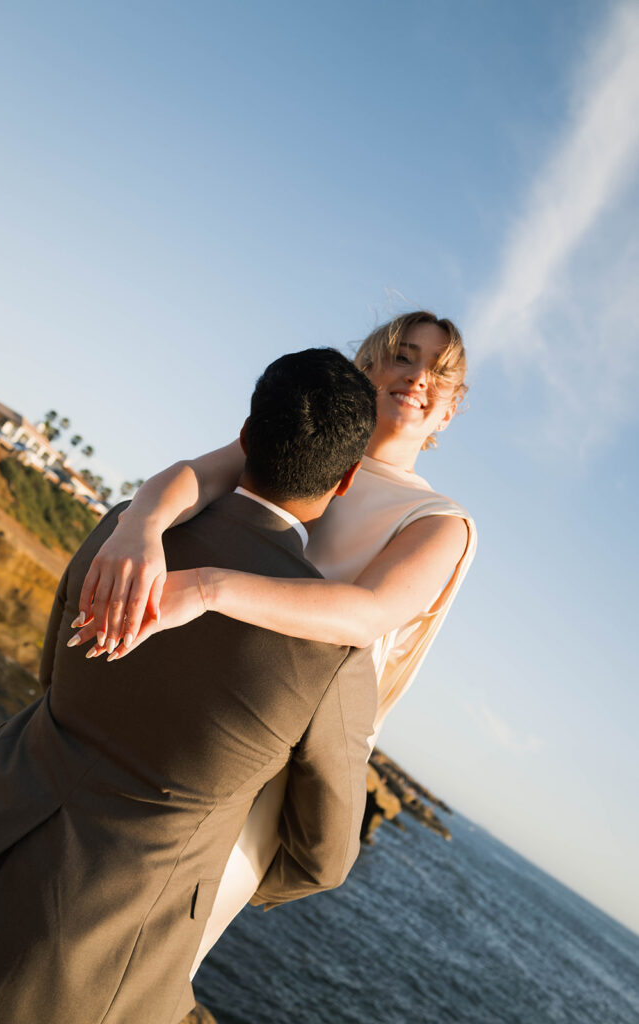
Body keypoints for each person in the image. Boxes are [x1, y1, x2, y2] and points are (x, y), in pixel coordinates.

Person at [0, 349, 379, 1024]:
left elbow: (53, 671)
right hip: (85, 966)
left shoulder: (128, 529)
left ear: (245, 435)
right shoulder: (332, 655)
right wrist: (204, 875)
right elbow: (323, 859)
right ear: (348, 477)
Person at [69, 310, 478, 972]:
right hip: (187, 692)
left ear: (451, 410)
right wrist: (138, 527)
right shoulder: (310, 440)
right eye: (403, 357)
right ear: (367, 369)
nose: (417, 377)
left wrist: (208, 588)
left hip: (280, 750)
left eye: (439, 372)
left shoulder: (440, 523)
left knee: (159, 949)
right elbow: (196, 475)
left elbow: (366, 614)